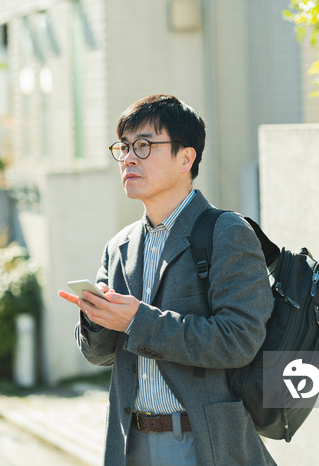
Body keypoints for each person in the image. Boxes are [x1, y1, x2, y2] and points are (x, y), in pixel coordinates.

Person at [58, 95, 276, 465]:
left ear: (185, 158)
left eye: (143, 146)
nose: (128, 158)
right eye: (124, 147)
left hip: (203, 443)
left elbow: (239, 340)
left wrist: (136, 320)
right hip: (131, 442)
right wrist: (96, 319)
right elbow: (100, 355)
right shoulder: (120, 247)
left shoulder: (226, 233)